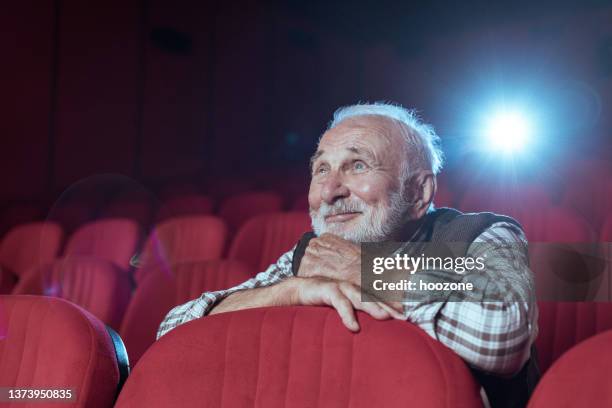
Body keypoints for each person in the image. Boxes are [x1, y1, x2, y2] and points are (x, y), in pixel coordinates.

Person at [157, 102, 539, 407]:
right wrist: (285, 293)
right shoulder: (309, 256)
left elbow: (502, 336)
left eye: (357, 165)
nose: (329, 191)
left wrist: (364, 270)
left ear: (420, 193)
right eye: (321, 169)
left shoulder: (482, 236)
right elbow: (173, 333)